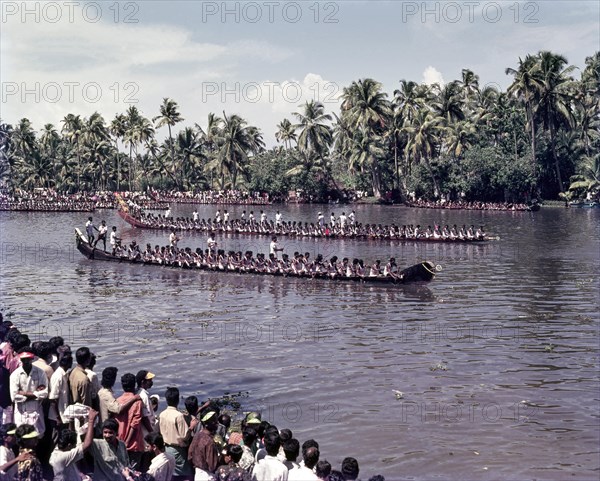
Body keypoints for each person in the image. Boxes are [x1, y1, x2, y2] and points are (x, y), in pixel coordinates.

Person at [159, 387, 197, 481]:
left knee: (171, 473)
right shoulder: (178, 416)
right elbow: (184, 436)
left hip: (166, 448)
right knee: (185, 474)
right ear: (178, 399)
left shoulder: (162, 414)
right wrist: (191, 427)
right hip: (178, 451)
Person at [49, 408, 97, 481]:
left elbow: (70, 433)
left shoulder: (58, 449)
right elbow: (87, 445)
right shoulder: (63, 457)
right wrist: (91, 421)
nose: (75, 446)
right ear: (69, 445)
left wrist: (71, 418)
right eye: (74, 445)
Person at [9, 351, 48, 437]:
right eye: (24, 360)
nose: (26, 362)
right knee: (21, 436)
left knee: (37, 435)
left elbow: (44, 393)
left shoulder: (40, 373)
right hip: (21, 411)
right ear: (21, 360)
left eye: (28, 359)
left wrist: (24, 393)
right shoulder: (15, 375)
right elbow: (14, 396)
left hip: (36, 409)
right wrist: (35, 394)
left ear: (32, 359)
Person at [115, 373, 144, 467]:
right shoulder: (137, 401)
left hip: (118, 441)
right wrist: (127, 442)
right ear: (134, 384)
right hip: (133, 443)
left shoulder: (117, 401)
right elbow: (135, 424)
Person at [188, 411, 219, 480]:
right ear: (207, 424)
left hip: (198, 474)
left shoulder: (197, 435)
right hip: (207, 476)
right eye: (215, 422)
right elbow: (212, 466)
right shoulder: (210, 442)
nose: (217, 424)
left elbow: (190, 455)